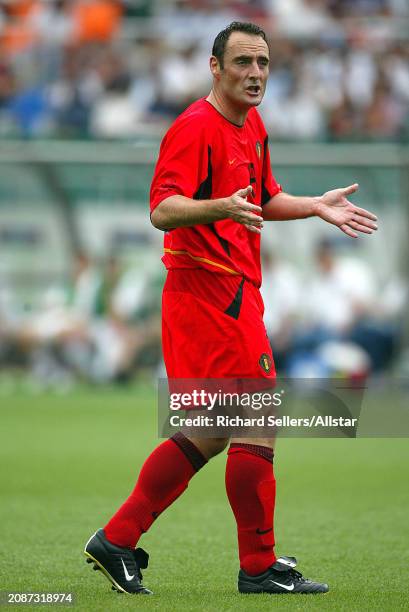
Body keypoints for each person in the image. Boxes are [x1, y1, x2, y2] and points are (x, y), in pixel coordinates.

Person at [84, 21, 378, 596]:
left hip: (233, 293)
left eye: (263, 63)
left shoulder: (254, 125)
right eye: (242, 62)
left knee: (214, 430)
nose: (255, 74)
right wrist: (218, 206)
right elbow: (162, 209)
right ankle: (259, 566)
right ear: (215, 67)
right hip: (206, 292)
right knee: (259, 419)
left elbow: (264, 200)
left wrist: (315, 205)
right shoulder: (196, 126)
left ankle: (117, 540)